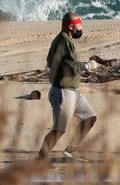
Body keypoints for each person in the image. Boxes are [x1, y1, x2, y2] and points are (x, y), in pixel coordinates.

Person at [38, 12, 97, 161]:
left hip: (73, 91)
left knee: (90, 117)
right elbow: (70, 66)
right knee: (59, 130)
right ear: (71, 26)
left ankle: (72, 150)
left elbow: (50, 61)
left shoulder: (63, 40)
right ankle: (40, 159)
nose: (81, 28)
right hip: (63, 92)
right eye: (79, 25)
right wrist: (87, 66)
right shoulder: (63, 41)